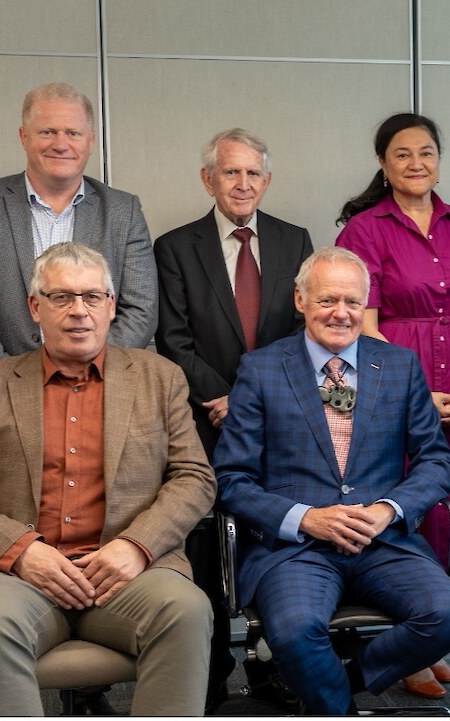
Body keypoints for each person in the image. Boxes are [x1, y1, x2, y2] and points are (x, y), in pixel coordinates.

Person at [0, 242, 216, 715]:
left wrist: (136, 545)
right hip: (17, 579)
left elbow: (194, 477)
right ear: (35, 307)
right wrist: (19, 551)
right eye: (62, 298)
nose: (79, 312)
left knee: (186, 610)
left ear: (112, 306)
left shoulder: (160, 379)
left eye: (93, 297)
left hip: (125, 577)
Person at [214, 247, 450, 715]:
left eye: (353, 302)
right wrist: (306, 519)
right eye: (328, 299)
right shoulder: (261, 369)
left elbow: (436, 462)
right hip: (295, 548)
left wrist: (385, 511)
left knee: (449, 617)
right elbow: (232, 478)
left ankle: (333, 684)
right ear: (300, 300)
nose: (341, 313)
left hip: (383, 540)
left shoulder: (398, 365)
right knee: (293, 632)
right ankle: (339, 708)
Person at [335, 113, 450, 699]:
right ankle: (403, 642)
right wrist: (416, 393)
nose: (415, 163)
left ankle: (435, 635)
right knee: (403, 506)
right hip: (391, 387)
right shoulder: (364, 230)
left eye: (426, 152)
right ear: (383, 163)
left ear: (439, 159)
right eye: (402, 154)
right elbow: (363, 323)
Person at [154, 129, 313, 709]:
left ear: (266, 181)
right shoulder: (175, 247)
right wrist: (224, 398)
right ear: (208, 180)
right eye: (230, 173)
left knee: (278, 540)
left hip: (281, 424)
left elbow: (306, 335)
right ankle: (213, 669)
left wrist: (251, 401)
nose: (242, 183)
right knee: (206, 549)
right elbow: (172, 340)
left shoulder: (295, 241)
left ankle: (272, 660)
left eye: (253, 174)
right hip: (201, 424)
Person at [0, 81, 156, 371]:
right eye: (47, 132)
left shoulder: (122, 210)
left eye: (73, 133)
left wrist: (88, 374)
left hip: (99, 390)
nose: (60, 144)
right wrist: (9, 376)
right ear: (24, 136)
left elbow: (142, 308)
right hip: (0, 387)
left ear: (90, 140)